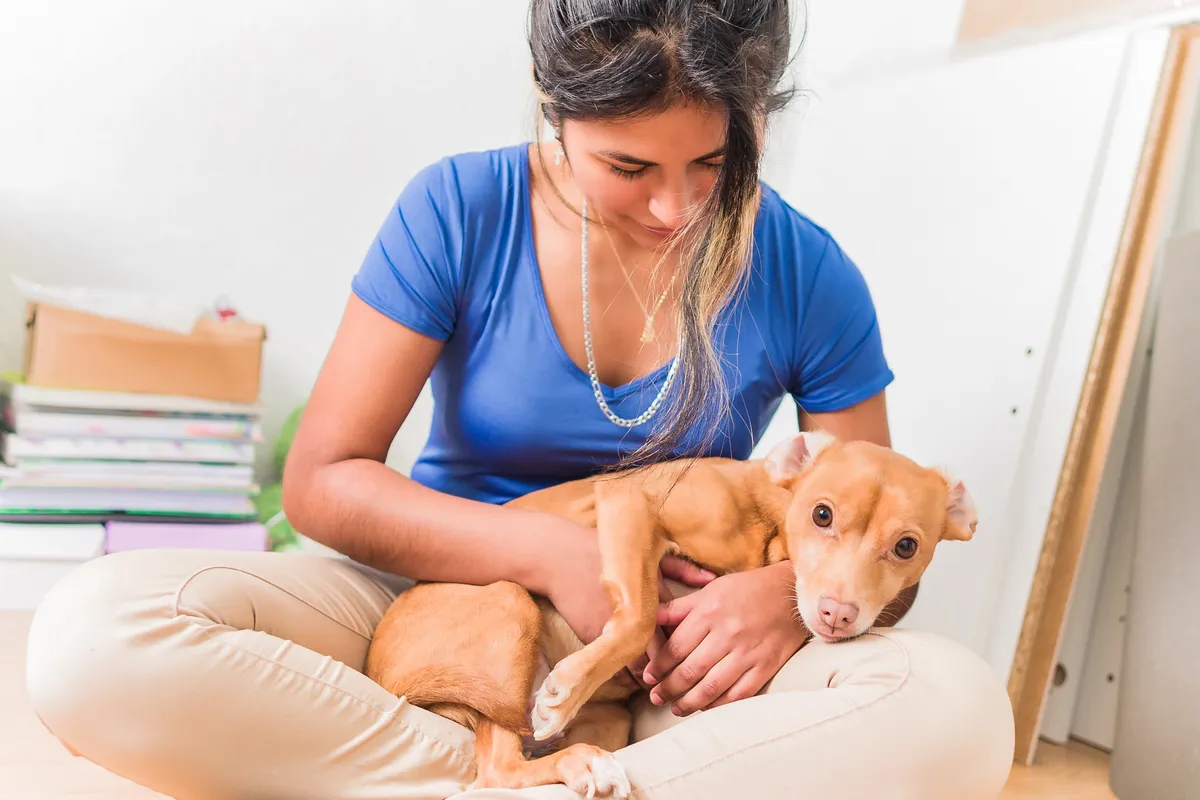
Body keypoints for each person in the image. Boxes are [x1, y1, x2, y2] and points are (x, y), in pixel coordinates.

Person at [25, 1, 1016, 797]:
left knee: (957, 711)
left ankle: (553, 777)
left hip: (680, 651)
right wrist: (548, 551)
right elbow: (323, 482)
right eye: (629, 167)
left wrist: (781, 602)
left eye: (715, 163)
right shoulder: (459, 209)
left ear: (760, 120)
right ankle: (519, 781)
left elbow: (887, 525)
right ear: (554, 108)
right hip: (436, 590)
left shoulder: (807, 269)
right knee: (93, 637)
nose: (675, 207)